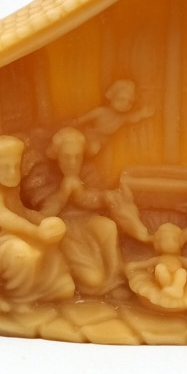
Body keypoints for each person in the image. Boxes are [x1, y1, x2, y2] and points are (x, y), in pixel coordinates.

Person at [0, 135, 74, 304]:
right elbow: (4, 218)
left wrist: (39, 219)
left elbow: (20, 211)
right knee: (21, 253)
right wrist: (34, 231)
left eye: (15, 166)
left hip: (15, 232)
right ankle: (19, 296)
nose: (12, 173)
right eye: (5, 168)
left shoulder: (11, 189)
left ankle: (55, 286)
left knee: (49, 246)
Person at [41, 127, 124, 296]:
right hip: (62, 229)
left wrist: (81, 195)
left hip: (86, 220)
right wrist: (63, 193)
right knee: (93, 279)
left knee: (107, 226)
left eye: (77, 157)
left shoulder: (88, 172)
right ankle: (84, 283)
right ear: (56, 155)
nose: (72, 163)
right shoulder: (43, 175)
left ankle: (116, 280)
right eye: (66, 157)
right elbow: (43, 215)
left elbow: (99, 199)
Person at [124, 223, 187, 312]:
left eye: (174, 241)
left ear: (179, 244)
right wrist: (134, 266)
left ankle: (177, 288)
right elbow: (145, 264)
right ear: (157, 244)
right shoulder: (158, 259)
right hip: (163, 279)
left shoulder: (179, 259)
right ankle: (167, 286)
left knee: (181, 272)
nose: (169, 245)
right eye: (164, 241)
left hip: (176, 275)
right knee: (161, 268)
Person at [73, 80, 154, 154]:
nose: (125, 104)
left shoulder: (121, 117)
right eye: (121, 99)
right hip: (92, 136)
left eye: (129, 102)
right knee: (92, 148)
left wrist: (142, 114)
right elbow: (82, 120)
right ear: (111, 97)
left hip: (105, 141)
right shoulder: (100, 111)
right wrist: (74, 123)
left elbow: (132, 118)